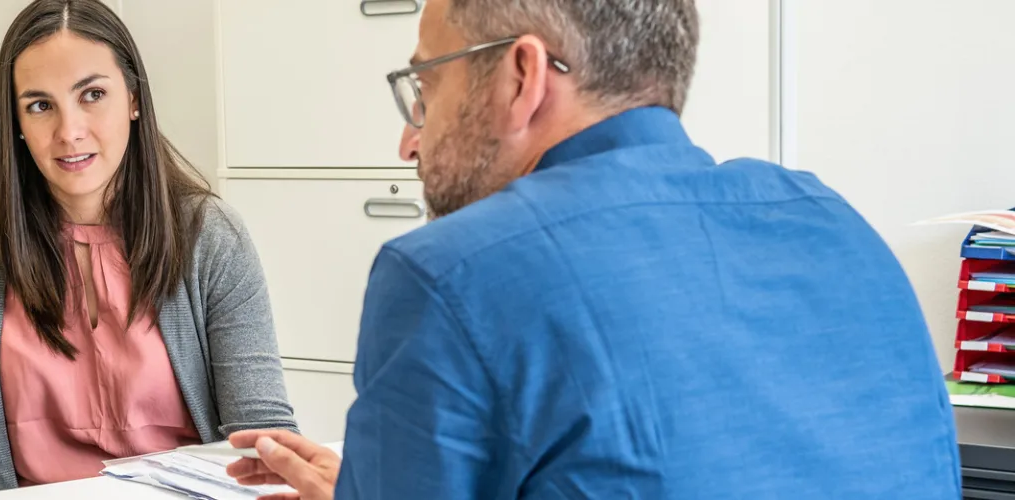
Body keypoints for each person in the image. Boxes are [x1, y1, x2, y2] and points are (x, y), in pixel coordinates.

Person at [226, 0, 959, 498]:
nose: (409, 140)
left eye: (428, 85)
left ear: (521, 76)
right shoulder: (837, 224)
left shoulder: (452, 271)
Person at [0, 0, 296, 493]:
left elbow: (260, 432)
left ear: (133, 99)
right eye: (40, 105)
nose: (69, 132)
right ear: (16, 121)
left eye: (92, 95)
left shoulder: (210, 234)